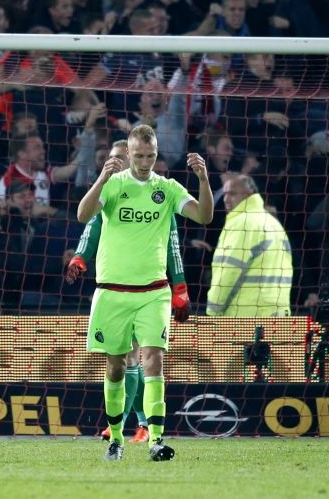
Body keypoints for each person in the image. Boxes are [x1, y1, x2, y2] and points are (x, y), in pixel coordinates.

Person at [76, 125, 212, 462]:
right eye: (138, 156)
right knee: (116, 367)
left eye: (150, 157)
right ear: (129, 153)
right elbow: (83, 215)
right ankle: (117, 438)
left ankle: (156, 439)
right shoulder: (114, 185)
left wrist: (204, 181)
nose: (144, 162)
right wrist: (100, 179)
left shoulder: (165, 188)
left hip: (154, 292)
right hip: (112, 292)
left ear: (156, 154)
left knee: (154, 359)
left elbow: (204, 216)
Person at [208, 174, 293, 317]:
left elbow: (229, 272)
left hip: (246, 317)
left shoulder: (242, 223)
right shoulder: (274, 223)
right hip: (278, 315)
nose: (226, 200)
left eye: (232, 194)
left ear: (249, 194)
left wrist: (213, 311)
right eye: (225, 194)